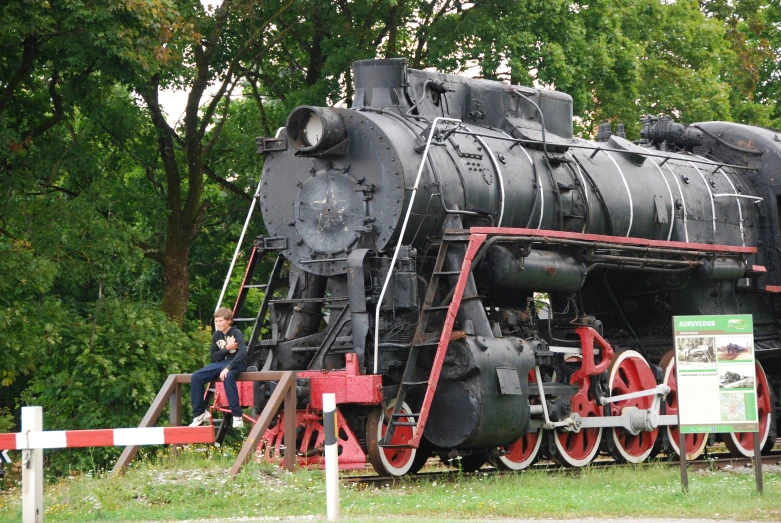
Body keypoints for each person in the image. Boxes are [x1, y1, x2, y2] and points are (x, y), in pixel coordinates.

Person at [189, 307, 247, 428]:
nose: (218, 324)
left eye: (221, 321)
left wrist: (228, 367)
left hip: (236, 363)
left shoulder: (236, 333)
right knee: (196, 376)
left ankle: (237, 416)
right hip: (221, 364)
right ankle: (199, 413)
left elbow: (242, 353)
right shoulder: (216, 335)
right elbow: (213, 356)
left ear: (229, 321)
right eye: (217, 321)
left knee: (228, 376)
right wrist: (226, 348)